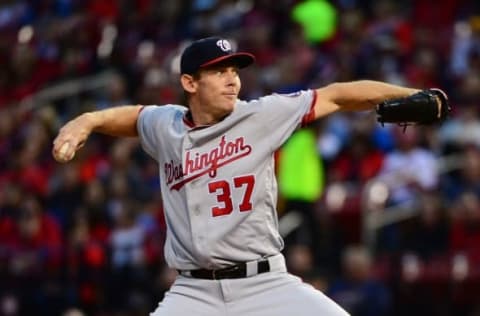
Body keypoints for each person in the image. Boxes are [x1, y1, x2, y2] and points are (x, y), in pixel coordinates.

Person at [52, 37, 425, 316]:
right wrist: (87, 120)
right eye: (218, 71)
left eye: (234, 71)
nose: (232, 80)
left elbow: (338, 95)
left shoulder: (261, 115)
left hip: (264, 282)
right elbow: (132, 117)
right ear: (190, 83)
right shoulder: (165, 125)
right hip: (193, 292)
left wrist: (413, 94)